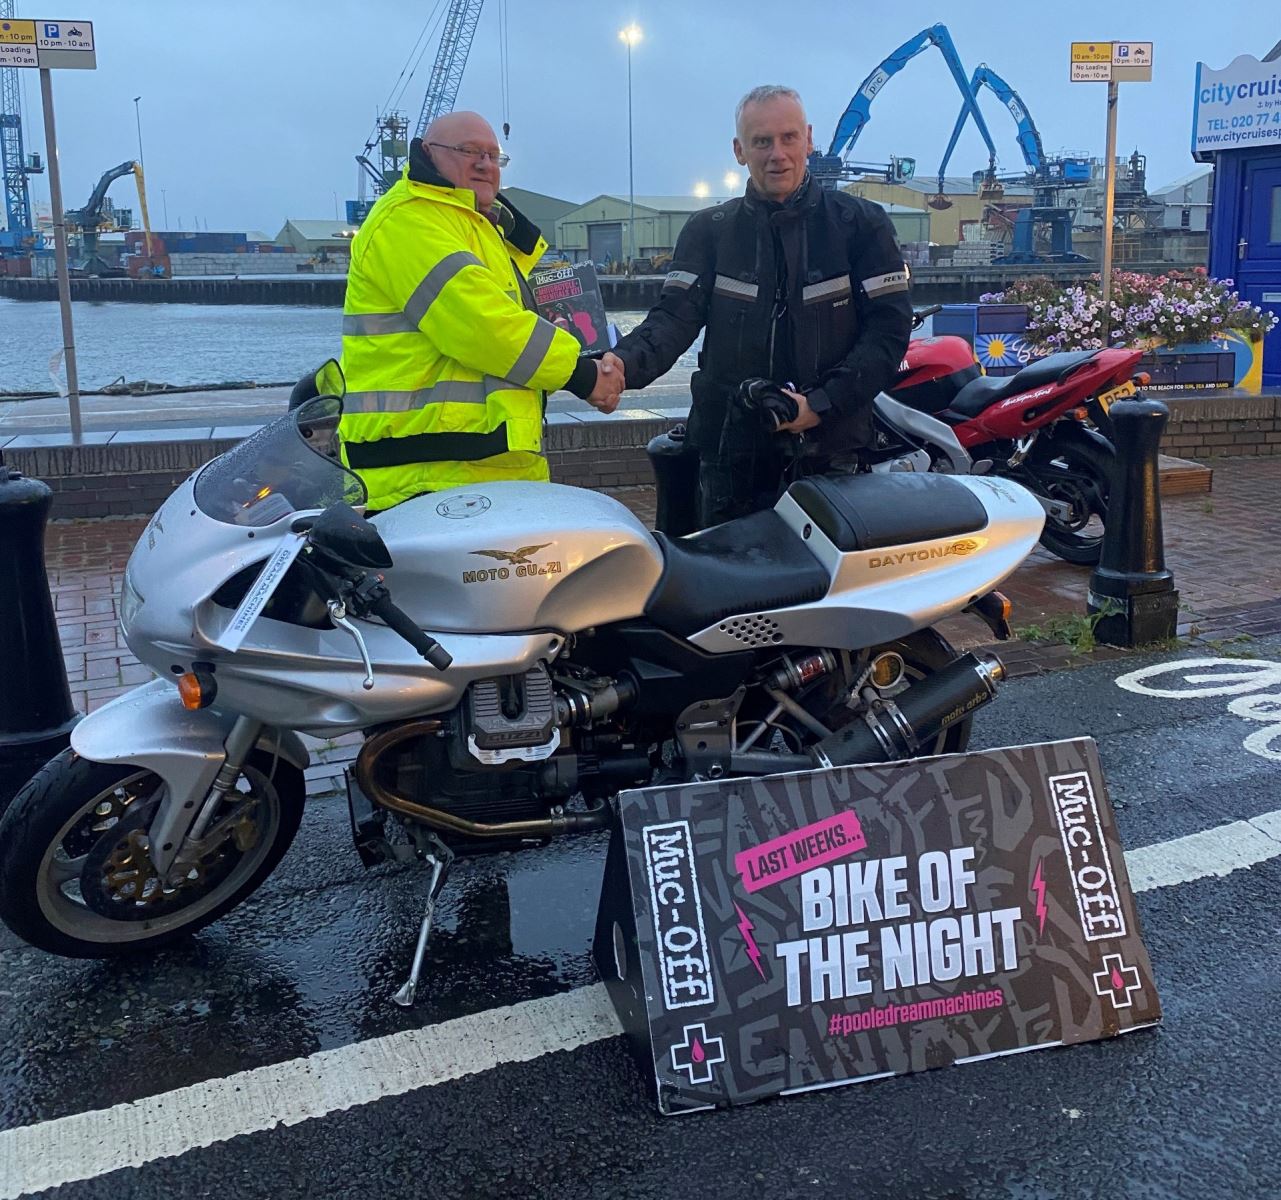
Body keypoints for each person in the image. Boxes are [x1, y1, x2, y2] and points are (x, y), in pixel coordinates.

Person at [605, 85, 912, 527]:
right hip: (730, 452)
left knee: (825, 590)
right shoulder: (709, 230)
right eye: (761, 142)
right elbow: (674, 318)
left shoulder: (861, 225)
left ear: (809, 139)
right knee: (727, 585)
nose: (777, 154)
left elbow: (888, 333)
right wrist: (621, 366)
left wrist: (820, 404)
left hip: (831, 452)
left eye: (789, 138)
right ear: (739, 150)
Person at [321, 111, 623, 511]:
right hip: (426, 475)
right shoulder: (408, 220)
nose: (485, 163)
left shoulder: (478, 227)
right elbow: (482, 326)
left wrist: (593, 357)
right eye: (469, 151)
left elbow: (518, 330)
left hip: (480, 468)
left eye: (494, 156)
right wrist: (584, 374)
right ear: (429, 153)